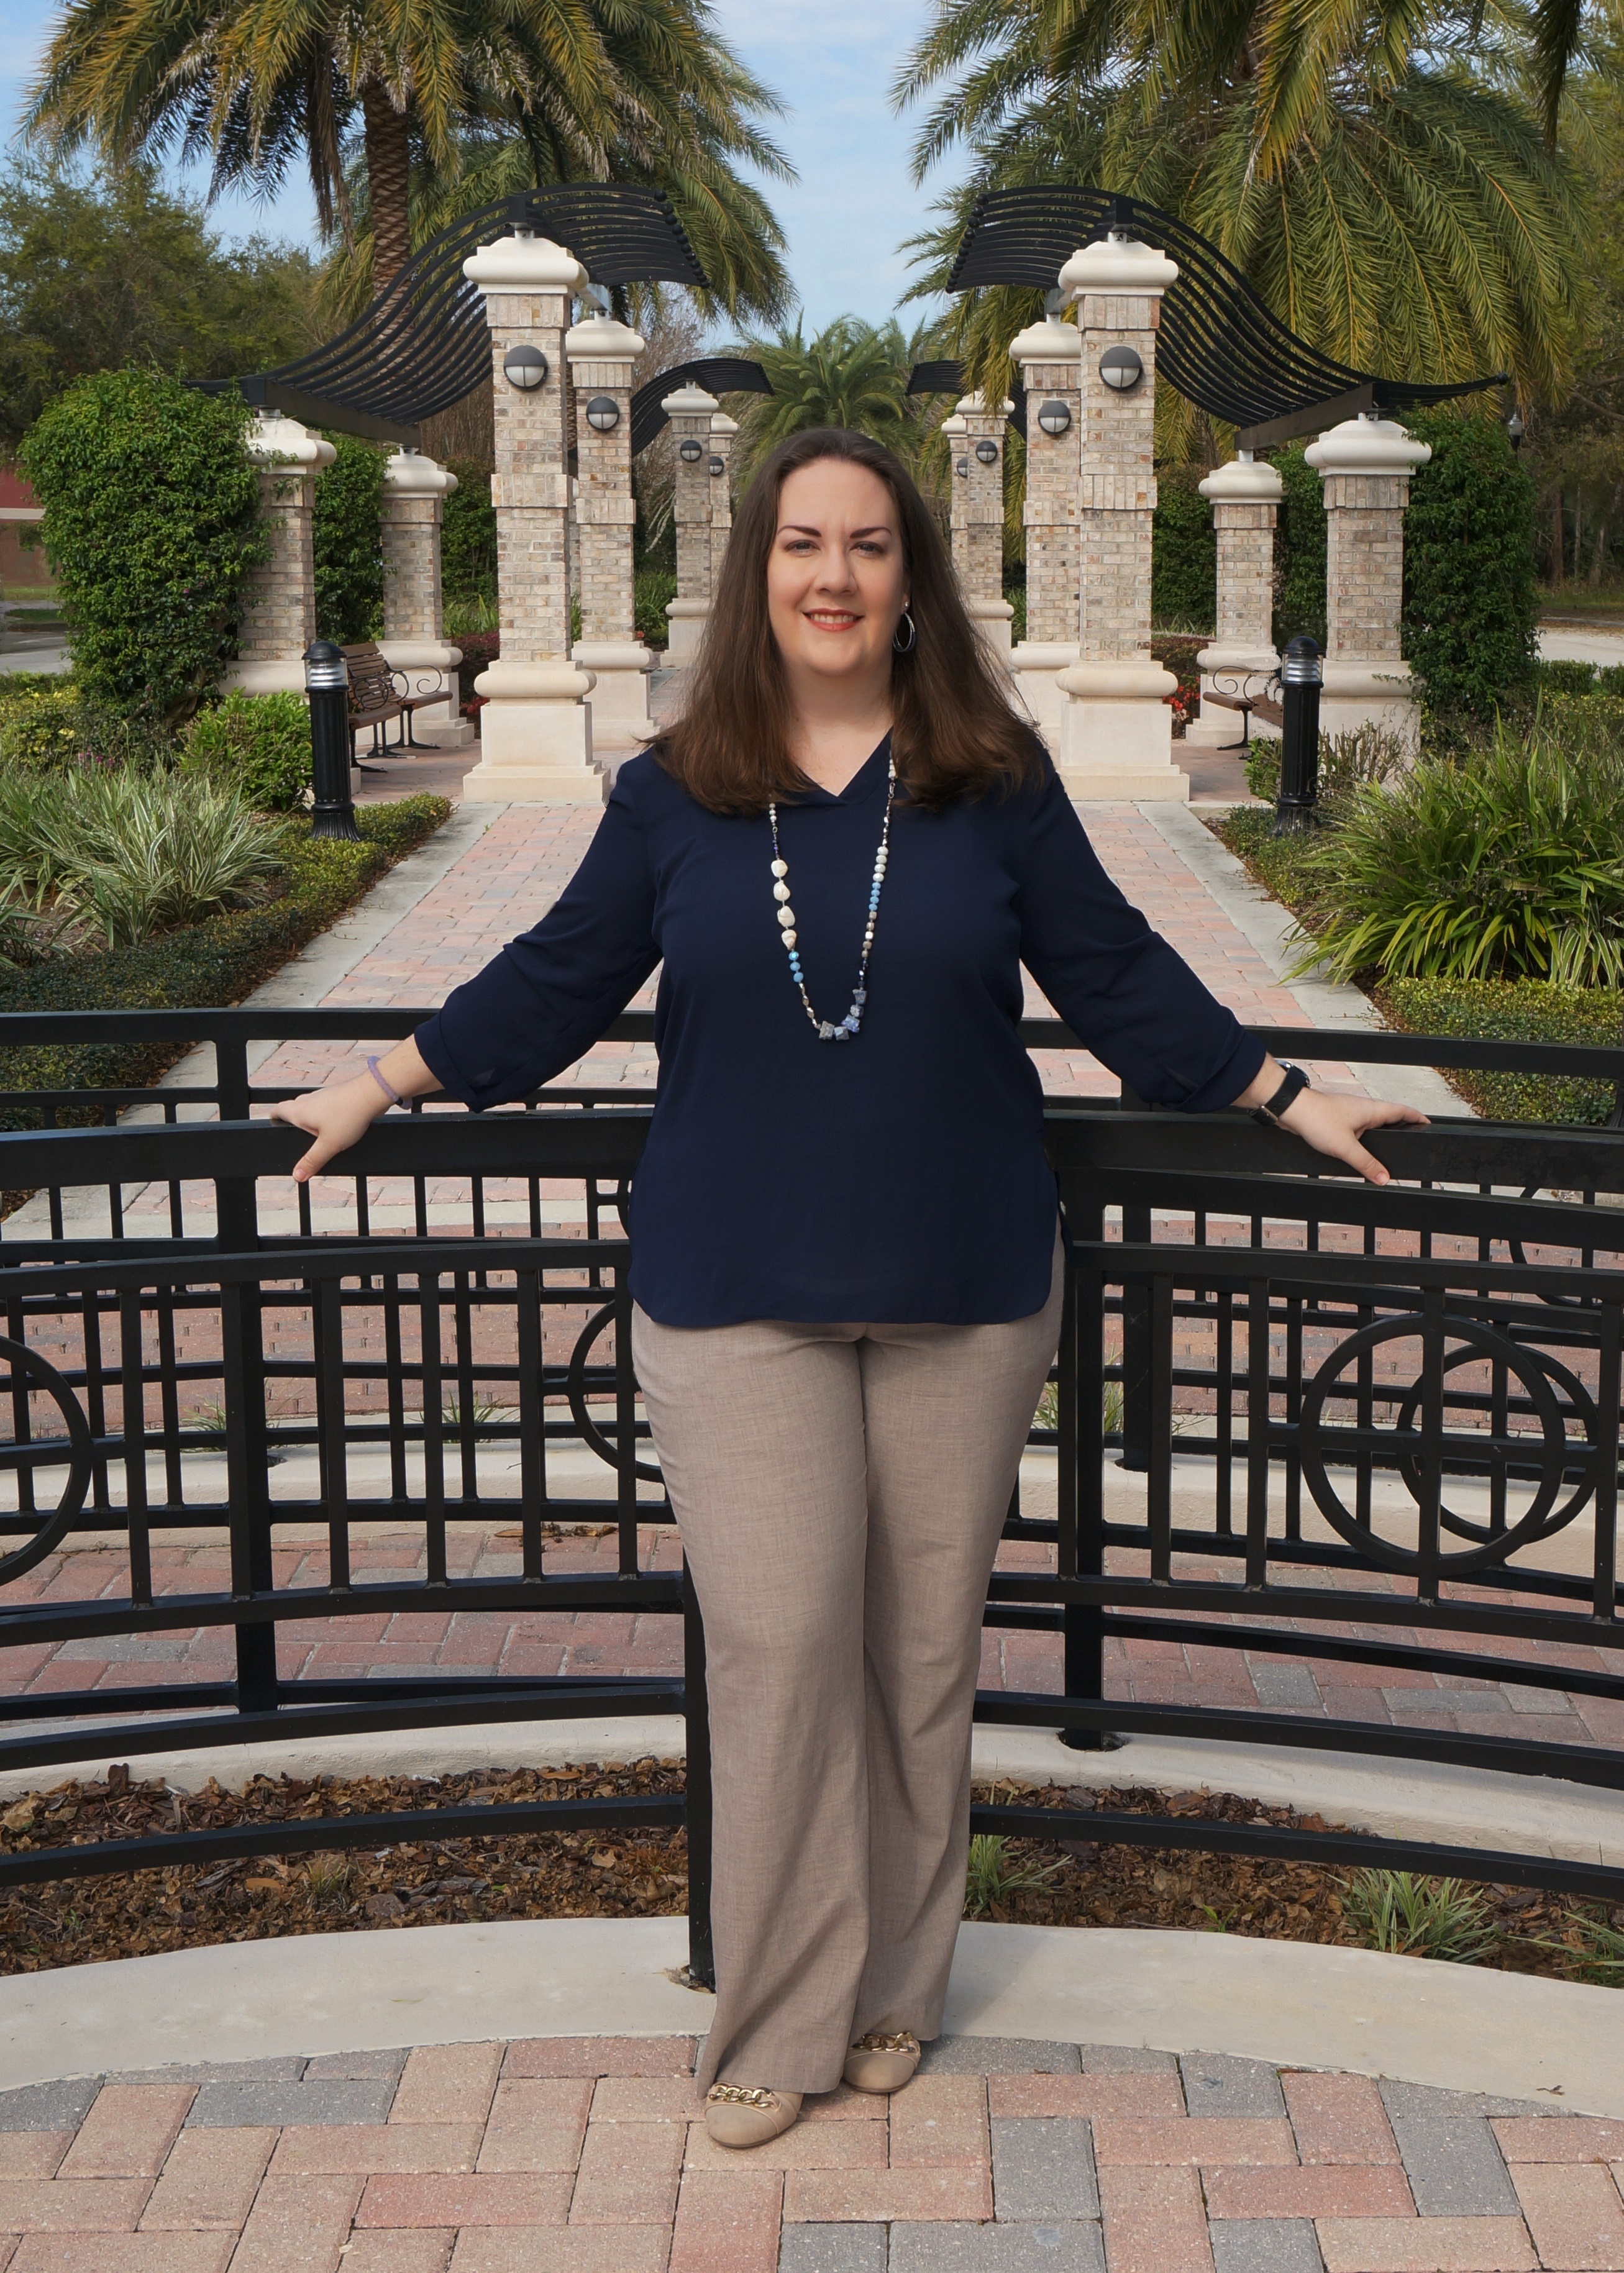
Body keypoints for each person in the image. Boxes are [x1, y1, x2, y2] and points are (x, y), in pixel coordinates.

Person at [272, 426, 1424, 2149]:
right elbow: (561, 974)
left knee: (917, 1649)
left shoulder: (991, 777)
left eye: (868, 546)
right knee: (783, 1641)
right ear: (758, 574)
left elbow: (1112, 971)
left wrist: (1283, 1089)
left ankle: (900, 1986)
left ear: (910, 580)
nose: (833, 574)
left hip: (967, 1272)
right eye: (802, 543)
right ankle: (776, 2012)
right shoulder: (673, 788)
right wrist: (386, 1079)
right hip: (735, 1282)